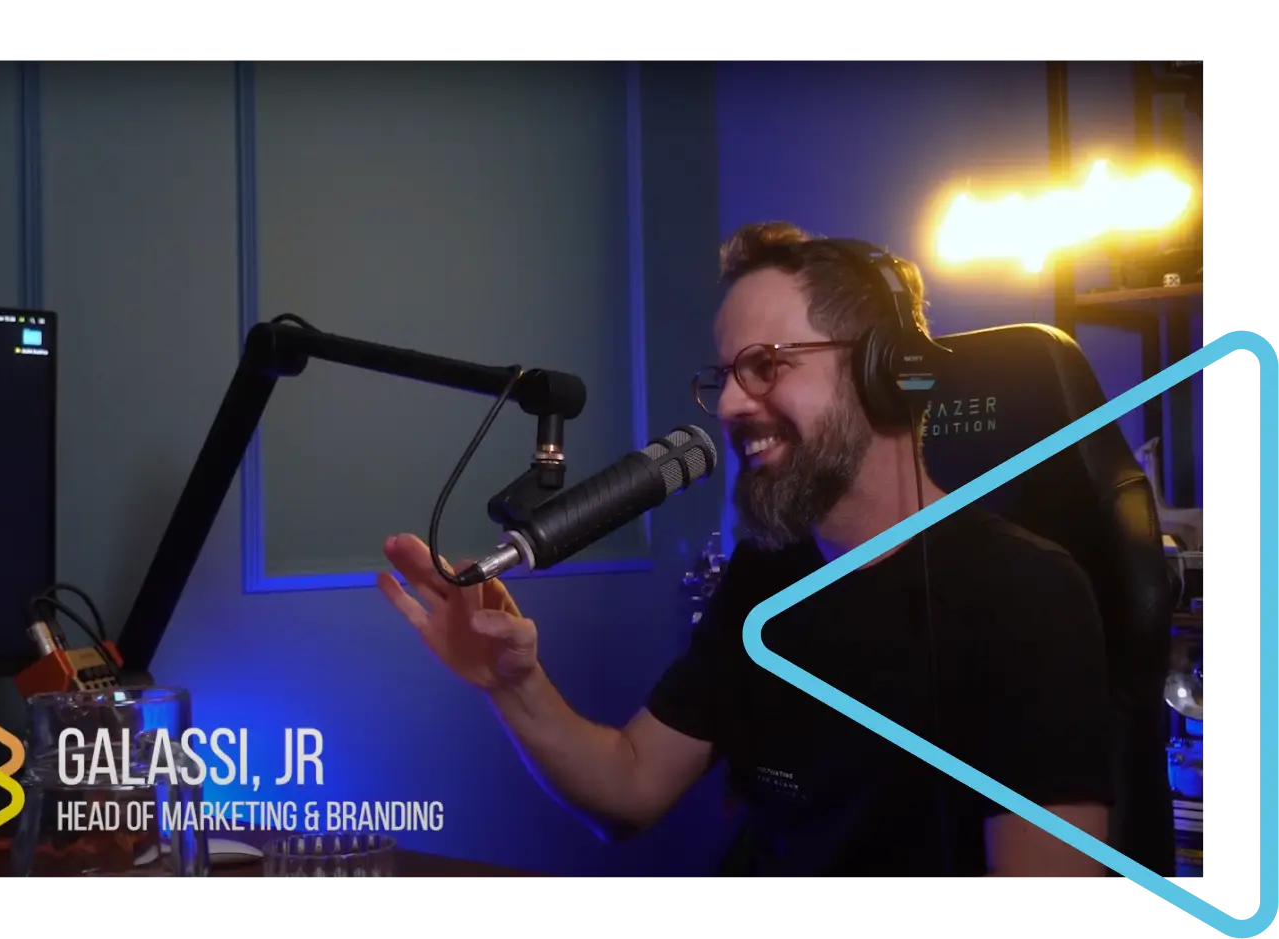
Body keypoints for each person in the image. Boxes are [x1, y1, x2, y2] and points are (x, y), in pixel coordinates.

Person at [376, 221, 1115, 879]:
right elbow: (629, 789)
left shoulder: (1025, 595)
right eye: (724, 375)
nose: (730, 403)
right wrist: (512, 682)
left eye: (766, 364)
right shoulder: (770, 574)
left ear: (883, 371)